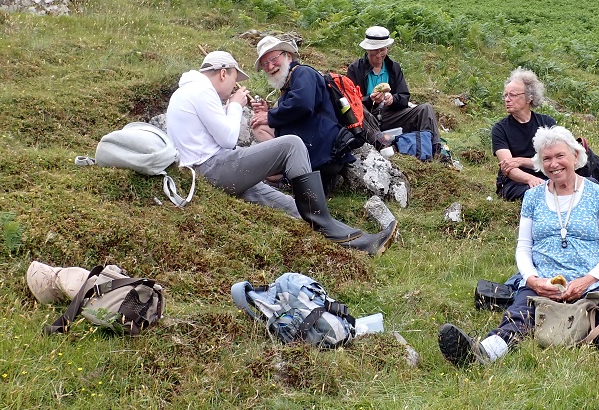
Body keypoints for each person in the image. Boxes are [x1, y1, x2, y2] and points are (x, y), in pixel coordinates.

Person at [438, 126, 599, 381]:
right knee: (519, 315)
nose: (554, 164)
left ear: (575, 156)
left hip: (592, 280)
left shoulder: (598, 195)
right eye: (546, 158)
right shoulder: (533, 198)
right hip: (543, 280)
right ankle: (481, 353)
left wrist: (586, 281)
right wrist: (532, 280)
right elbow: (524, 248)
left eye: (559, 156)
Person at [166, 50, 396, 256]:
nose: (234, 90)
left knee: (293, 206)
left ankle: (365, 243)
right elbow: (227, 141)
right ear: (223, 73)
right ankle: (325, 221)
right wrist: (235, 105)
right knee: (292, 144)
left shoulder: (187, 92)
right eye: (235, 82)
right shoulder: (202, 90)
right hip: (213, 169)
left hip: (207, 172)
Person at [492, 68, 599, 234]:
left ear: (529, 97)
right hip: (517, 183)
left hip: (550, 173)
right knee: (554, 193)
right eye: (505, 95)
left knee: (580, 187)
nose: (507, 99)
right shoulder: (500, 129)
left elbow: (559, 157)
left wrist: (523, 161)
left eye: (513, 95)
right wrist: (530, 179)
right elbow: (508, 167)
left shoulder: (546, 121)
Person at [251, 35, 356, 189]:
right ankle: (287, 174)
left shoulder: (302, 73)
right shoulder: (288, 83)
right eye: (265, 63)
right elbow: (296, 113)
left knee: (261, 162)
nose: (270, 66)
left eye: (273, 59)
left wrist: (269, 116)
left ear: (287, 55)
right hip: (315, 152)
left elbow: (302, 105)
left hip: (324, 154)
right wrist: (268, 112)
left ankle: (288, 175)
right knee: (258, 127)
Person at [345, 26, 446, 160]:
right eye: (375, 50)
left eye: (382, 50)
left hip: (389, 115)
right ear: (367, 49)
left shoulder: (393, 67)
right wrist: (370, 99)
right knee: (354, 107)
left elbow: (404, 96)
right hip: (368, 117)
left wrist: (393, 100)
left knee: (425, 109)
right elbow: (352, 100)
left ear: (387, 49)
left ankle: (436, 151)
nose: (379, 54)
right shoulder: (355, 69)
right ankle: (381, 143)